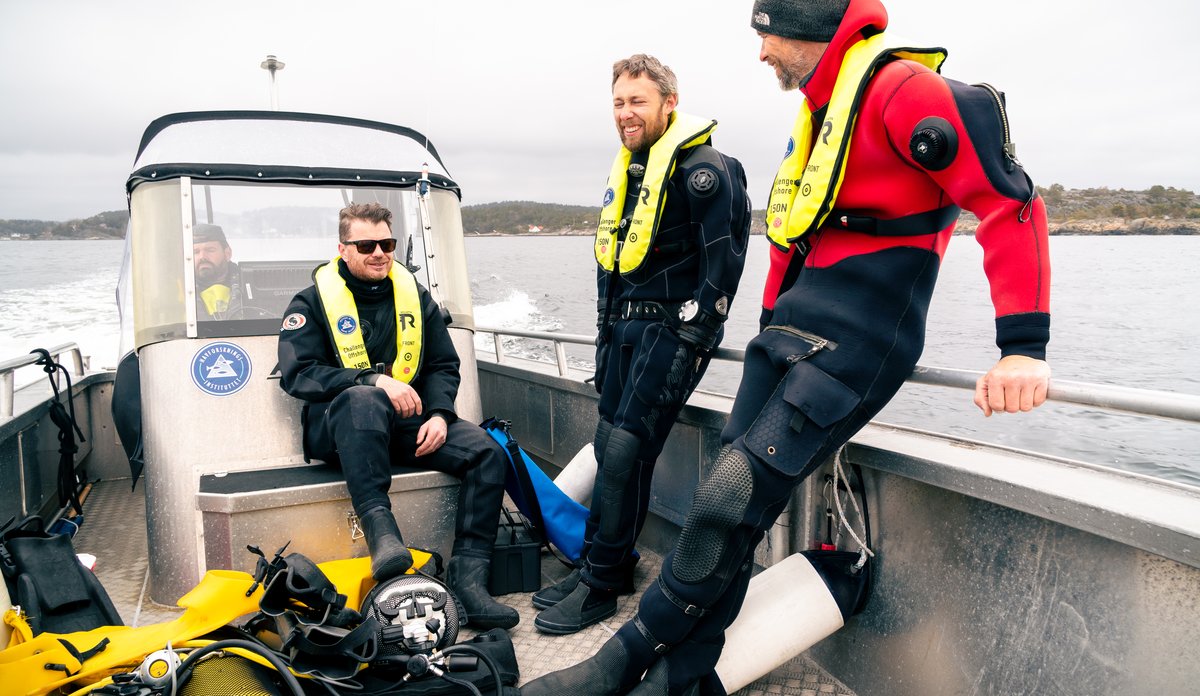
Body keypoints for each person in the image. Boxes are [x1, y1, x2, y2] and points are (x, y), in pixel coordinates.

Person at [523, 0, 1052, 692]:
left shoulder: (905, 92)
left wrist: (1022, 346)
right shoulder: (819, 116)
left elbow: (1011, 202)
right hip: (785, 335)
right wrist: (767, 326)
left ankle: (625, 654)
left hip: (859, 338)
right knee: (725, 508)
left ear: (806, 27)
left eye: (766, 35)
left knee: (728, 496)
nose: (762, 52)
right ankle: (683, 673)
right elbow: (787, 241)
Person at [531, 54, 752, 635]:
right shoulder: (630, 172)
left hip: (670, 332)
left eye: (638, 101)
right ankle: (603, 563)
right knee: (609, 446)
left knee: (627, 449)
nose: (626, 113)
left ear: (669, 104)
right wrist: (604, 337)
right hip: (624, 331)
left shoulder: (706, 169)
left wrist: (694, 337)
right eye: (619, 103)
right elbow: (611, 267)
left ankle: (602, 583)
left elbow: (724, 264)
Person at [276, 201, 518, 630]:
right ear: (342, 249)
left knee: (487, 453)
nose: (379, 253)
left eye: (386, 244)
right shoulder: (310, 303)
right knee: (363, 399)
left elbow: (443, 365)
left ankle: (469, 582)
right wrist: (371, 380)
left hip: (405, 426)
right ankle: (384, 536)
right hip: (341, 428)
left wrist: (440, 414)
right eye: (366, 245)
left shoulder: (414, 298)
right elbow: (299, 373)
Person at [192, 223, 244, 320]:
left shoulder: (250, 286)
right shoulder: (180, 291)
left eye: (210, 250)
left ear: (227, 253)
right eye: (195, 252)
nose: (202, 257)